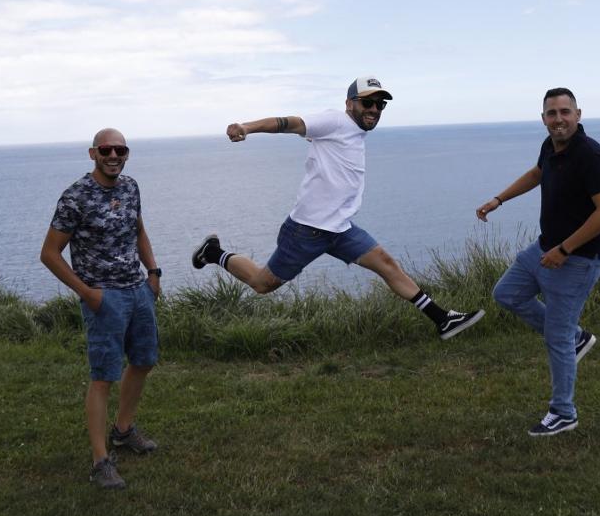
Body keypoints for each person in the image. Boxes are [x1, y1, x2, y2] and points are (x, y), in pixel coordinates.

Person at [192, 76, 484, 340]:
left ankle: (442, 319)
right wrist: (246, 127)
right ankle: (214, 253)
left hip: (340, 228)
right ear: (349, 104)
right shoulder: (334, 121)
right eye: (367, 102)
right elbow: (288, 122)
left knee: (386, 263)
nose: (374, 109)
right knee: (262, 283)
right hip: (307, 230)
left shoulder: (354, 132)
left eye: (380, 105)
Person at [476, 88, 600, 437]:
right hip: (545, 247)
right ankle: (575, 337)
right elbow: (537, 173)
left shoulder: (589, 154)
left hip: (579, 258)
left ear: (578, 114)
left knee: (555, 337)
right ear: (543, 119)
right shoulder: (550, 147)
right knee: (506, 294)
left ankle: (563, 412)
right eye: (552, 113)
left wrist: (565, 250)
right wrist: (499, 199)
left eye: (565, 112)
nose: (559, 119)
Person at [40, 128, 162, 491]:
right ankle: (100, 460)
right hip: (104, 297)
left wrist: (152, 272)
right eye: (106, 150)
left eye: (120, 150)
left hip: (138, 290)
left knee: (143, 361)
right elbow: (49, 254)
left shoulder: (130, 187)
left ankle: (123, 431)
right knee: (103, 376)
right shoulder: (75, 197)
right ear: (93, 153)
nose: (114, 155)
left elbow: (138, 230)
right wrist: (89, 294)